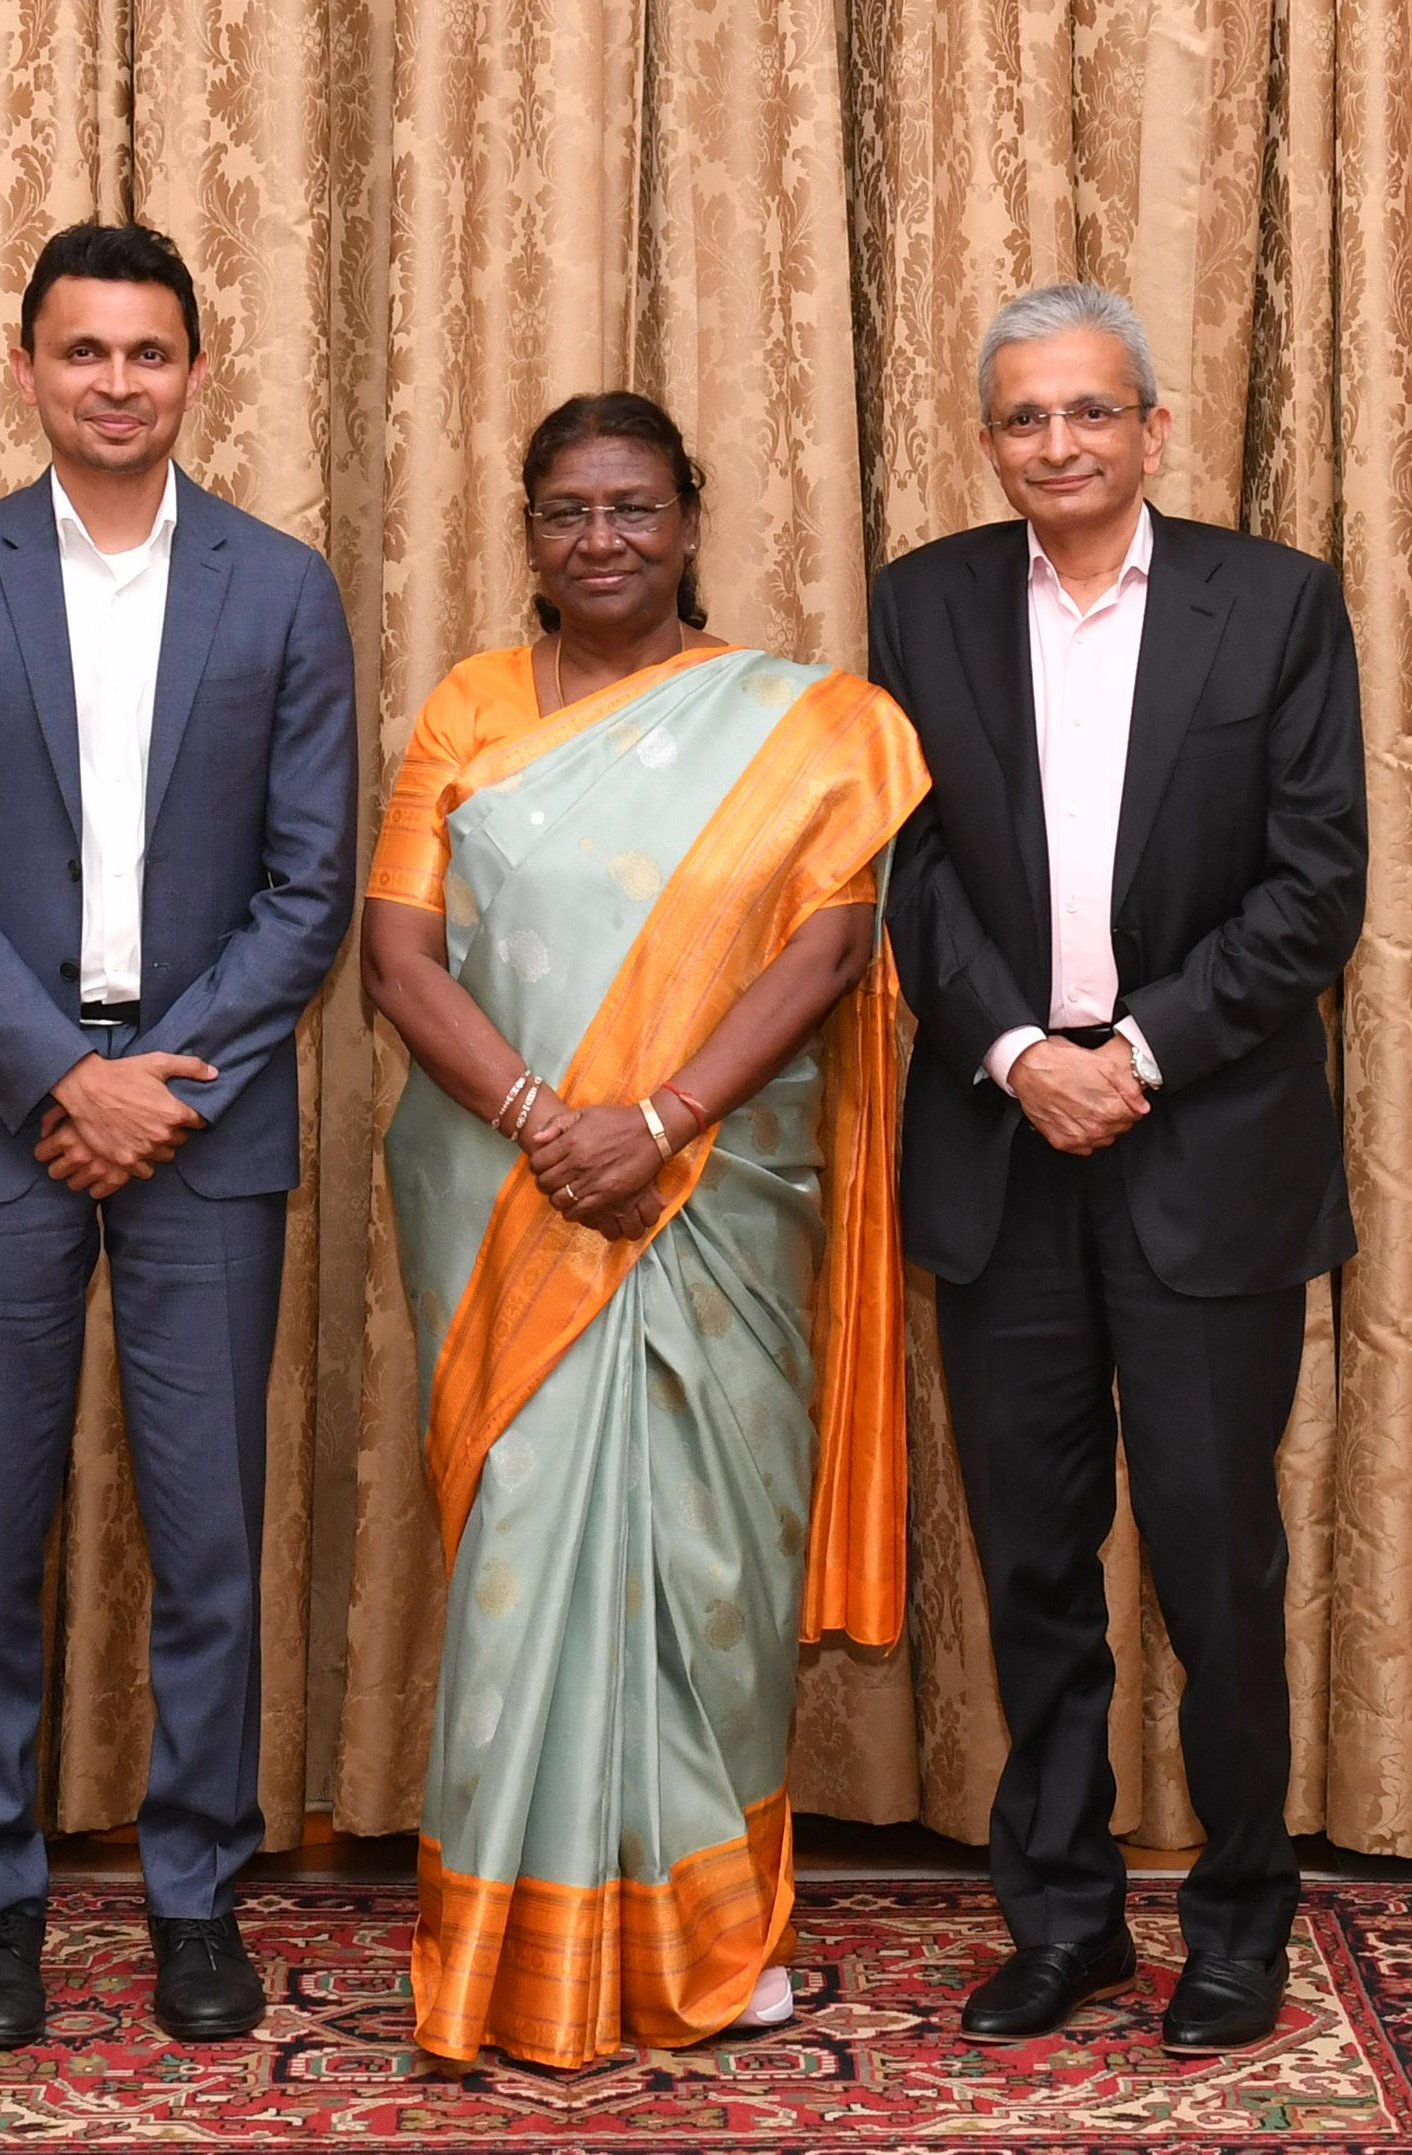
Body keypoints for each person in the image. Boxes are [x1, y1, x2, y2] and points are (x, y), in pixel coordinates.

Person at [363, 393, 928, 2070]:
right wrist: (547, 1122)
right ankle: (513, 1944)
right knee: (525, 1566)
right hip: (506, 1201)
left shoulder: (805, 727)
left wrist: (662, 1122)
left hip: (722, 1205)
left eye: (632, 507)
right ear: (528, 534)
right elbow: (398, 956)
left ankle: (710, 1933)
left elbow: (828, 951)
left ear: (690, 517)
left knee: (705, 1571)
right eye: (567, 511)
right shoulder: (469, 706)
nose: (600, 538)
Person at [0, 223, 358, 2051]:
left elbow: (312, 886)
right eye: (84, 352)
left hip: (204, 1124)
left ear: (197, 373)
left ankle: (196, 1898)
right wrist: (66, 1080)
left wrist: (158, 1081)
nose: (118, 383)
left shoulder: (282, 590)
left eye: (150, 353)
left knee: (208, 1537)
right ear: (27, 370)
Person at [873, 284, 1365, 2057]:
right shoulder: (923, 603)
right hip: (1001, 1148)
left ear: (1154, 428)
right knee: (1033, 1566)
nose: (1059, 444)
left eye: (1092, 412)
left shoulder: (1276, 603)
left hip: (1204, 1151)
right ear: (988, 440)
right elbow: (907, 867)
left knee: (1218, 1564)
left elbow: (1316, 887)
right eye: (1026, 418)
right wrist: (1020, 1053)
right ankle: (1065, 1920)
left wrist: (1132, 1055)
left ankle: (1237, 1924)